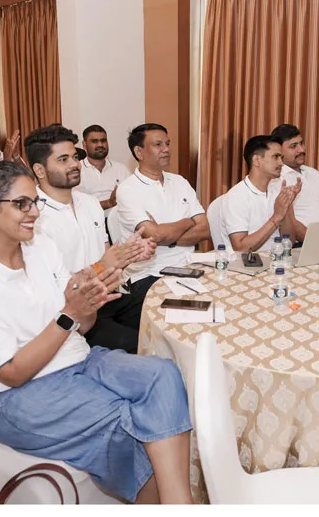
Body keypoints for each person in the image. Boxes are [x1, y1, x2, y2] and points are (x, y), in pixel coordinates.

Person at [0, 161, 194, 504]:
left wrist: (90, 302)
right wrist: (69, 315)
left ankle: (177, 503)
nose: (34, 212)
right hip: (17, 396)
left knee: (163, 374)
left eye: (35, 202)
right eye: (21, 204)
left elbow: (82, 324)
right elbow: (13, 373)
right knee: (124, 418)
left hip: (78, 361)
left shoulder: (41, 249)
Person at [25, 124, 157, 354]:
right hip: (75, 312)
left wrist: (130, 254)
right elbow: (50, 291)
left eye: (75, 157)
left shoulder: (89, 203)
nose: (75, 164)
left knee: (163, 314)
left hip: (110, 296)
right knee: (142, 345)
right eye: (63, 159)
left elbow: (106, 257)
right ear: (40, 170)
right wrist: (102, 266)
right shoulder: (33, 218)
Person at [115, 123, 210, 296]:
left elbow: (204, 229)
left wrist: (167, 238)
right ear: (139, 152)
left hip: (189, 266)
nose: (166, 149)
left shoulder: (180, 182)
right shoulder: (128, 189)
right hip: (149, 273)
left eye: (167, 143)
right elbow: (155, 235)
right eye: (158, 144)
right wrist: (188, 222)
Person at [221, 135, 300, 252]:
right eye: (276, 157)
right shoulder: (236, 196)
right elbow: (241, 248)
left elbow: (290, 241)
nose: (281, 163)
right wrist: (276, 218)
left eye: (281, 158)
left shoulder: (277, 192)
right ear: (257, 160)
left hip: (277, 259)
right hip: (248, 262)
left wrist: (286, 207)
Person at [269, 123, 319, 243]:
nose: (301, 150)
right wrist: (317, 243)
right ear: (279, 150)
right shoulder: (277, 179)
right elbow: (289, 221)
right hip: (303, 243)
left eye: (301, 143)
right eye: (293, 146)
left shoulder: (314, 173)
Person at [77, 124, 131, 216]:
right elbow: (76, 206)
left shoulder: (120, 169)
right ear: (84, 145)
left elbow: (132, 197)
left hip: (119, 220)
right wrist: (108, 203)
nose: (100, 145)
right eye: (94, 141)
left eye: (103, 140)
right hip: (88, 221)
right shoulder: (76, 170)